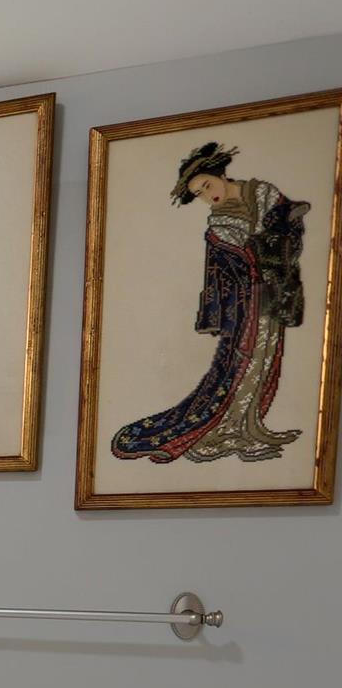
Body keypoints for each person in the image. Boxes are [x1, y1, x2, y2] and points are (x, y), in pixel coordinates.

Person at [110, 142, 309, 464]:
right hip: (243, 307)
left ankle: (251, 427)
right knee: (242, 366)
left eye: (206, 185)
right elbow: (216, 277)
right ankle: (226, 432)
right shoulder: (217, 228)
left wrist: (277, 243)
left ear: (219, 174)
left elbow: (292, 230)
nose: (207, 195)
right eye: (199, 193)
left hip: (273, 293)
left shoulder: (265, 195)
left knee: (266, 360)